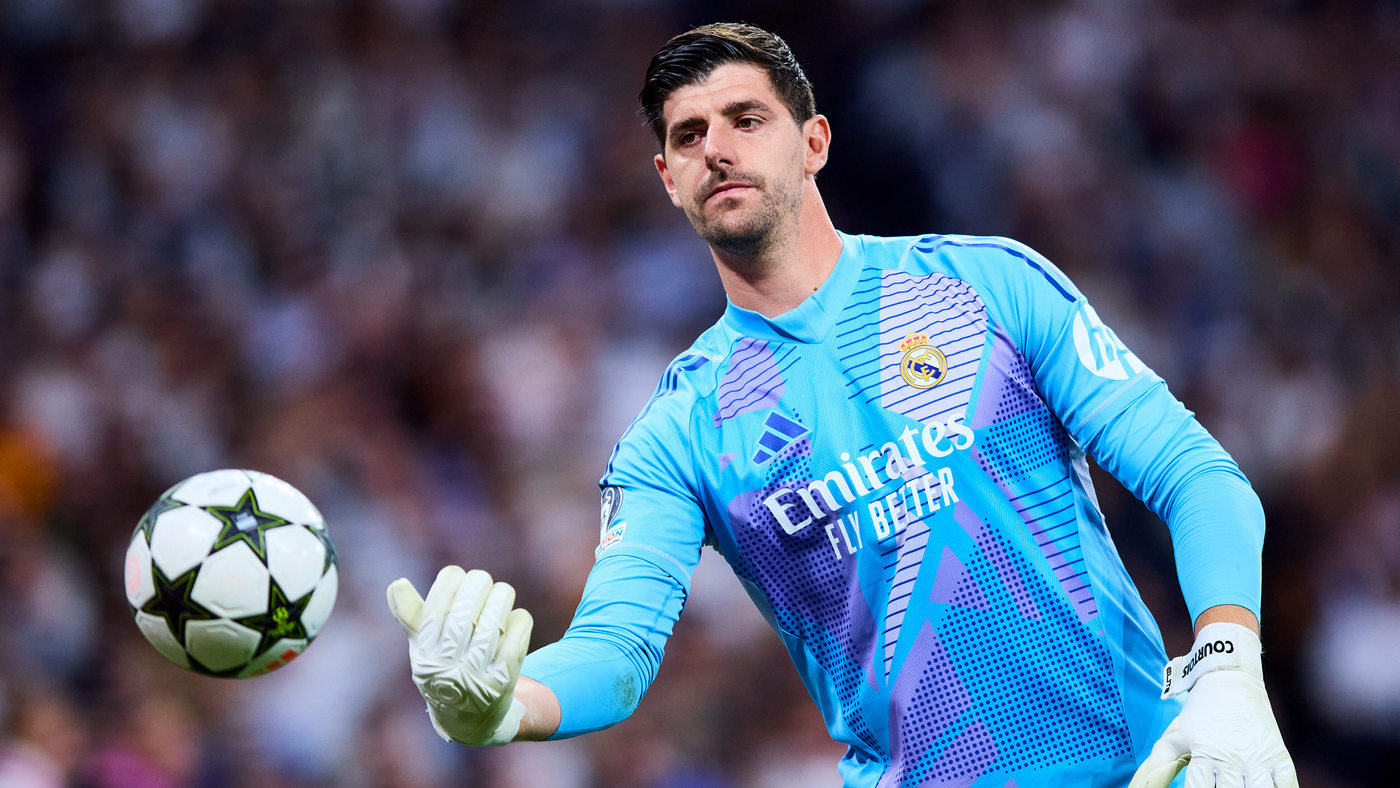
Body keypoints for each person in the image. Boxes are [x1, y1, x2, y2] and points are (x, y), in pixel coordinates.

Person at [386, 22, 1297, 788]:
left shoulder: (985, 286)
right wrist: (505, 707)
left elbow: (1196, 476)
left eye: (746, 119)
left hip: (1148, 768)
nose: (716, 149)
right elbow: (616, 649)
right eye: (689, 136)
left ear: (815, 141)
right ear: (667, 178)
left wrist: (1227, 667)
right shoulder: (677, 435)